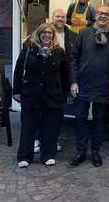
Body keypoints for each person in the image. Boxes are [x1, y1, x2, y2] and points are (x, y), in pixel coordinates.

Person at [68, 5, 109, 168]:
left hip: (103, 85)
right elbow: (74, 58)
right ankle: (81, 151)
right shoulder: (84, 34)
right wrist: (73, 81)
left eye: (106, 14)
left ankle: (96, 152)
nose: (103, 16)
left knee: (99, 121)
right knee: (80, 120)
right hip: (82, 85)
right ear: (96, 15)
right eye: (100, 13)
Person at [13, 23, 70, 168]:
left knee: (50, 127)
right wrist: (16, 91)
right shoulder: (28, 50)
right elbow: (19, 70)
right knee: (28, 127)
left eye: (50, 33)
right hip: (31, 94)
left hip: (52, 96)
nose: (47, 35)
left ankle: (48, 156)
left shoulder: (59, 52)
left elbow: (65, 75)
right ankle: (24, 156)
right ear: (38, 34)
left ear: (53, 36)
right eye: (44, 32)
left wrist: (64, 94)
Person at [33, 9, 77, 154]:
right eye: (58, 16)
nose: (60, 19)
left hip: (62, 82)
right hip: (42, 82)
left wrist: (72, 81)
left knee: (58, 113)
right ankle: (38, 139)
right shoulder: (42, 32)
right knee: (40, 112)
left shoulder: (73, 36)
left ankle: (53, 139)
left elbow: (75, 61)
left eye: (63, 17)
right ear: (52, 17)